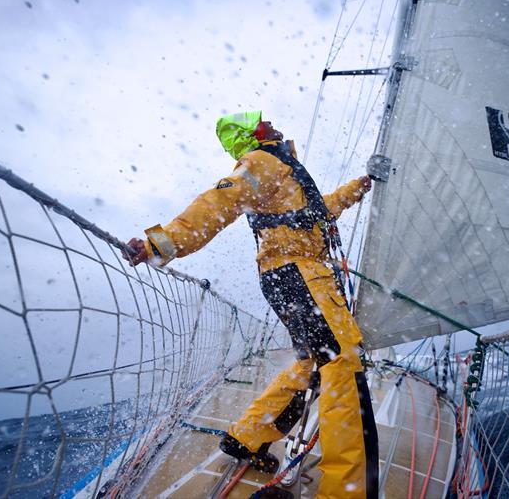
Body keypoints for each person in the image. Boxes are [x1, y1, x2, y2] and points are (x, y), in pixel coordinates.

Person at [125, 110, 378, 498]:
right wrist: (159, 242)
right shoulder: (262, 162)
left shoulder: (283, 168)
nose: (272, 123)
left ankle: (247, 437)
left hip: (286, 276)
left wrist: (358, 187)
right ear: (253, 136)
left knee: (314, 363)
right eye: (261, 123)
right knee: (342, 362)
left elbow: (318, 212)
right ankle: (348, 492)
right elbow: (218, 202)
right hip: (302, 275)